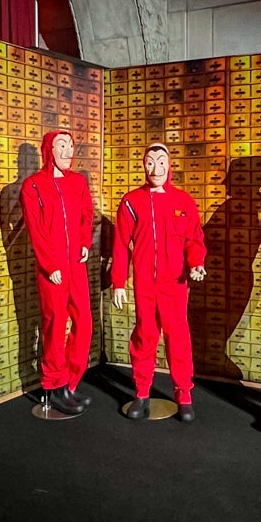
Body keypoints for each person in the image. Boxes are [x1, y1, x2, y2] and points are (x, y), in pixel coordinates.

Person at [111, 144, 208, 422]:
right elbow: (121, 244)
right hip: (145, 283)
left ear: (169, 165)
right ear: (144, 166)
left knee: (178, 339)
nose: (156, 168)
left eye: (161, 161)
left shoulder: (183, 201)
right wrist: (119, 282)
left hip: (175, 284)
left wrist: (196, 262)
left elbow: (194, 239)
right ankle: (142, 393)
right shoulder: (131, 201)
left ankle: (184, 395)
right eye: (151, 162)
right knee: (145, 336)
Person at [19, 129, 96, 414]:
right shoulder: (33, 186)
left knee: (84, 323)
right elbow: (35, 229)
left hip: (76, 264)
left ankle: (70, 383)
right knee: (54, 325)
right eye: (61, 145)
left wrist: (85, 242)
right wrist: (49, 265)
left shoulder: (78, 182)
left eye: (70, 145)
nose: (67, 151)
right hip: (52, 268)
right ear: (48, 150)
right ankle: (54, 384)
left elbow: (86, 214)